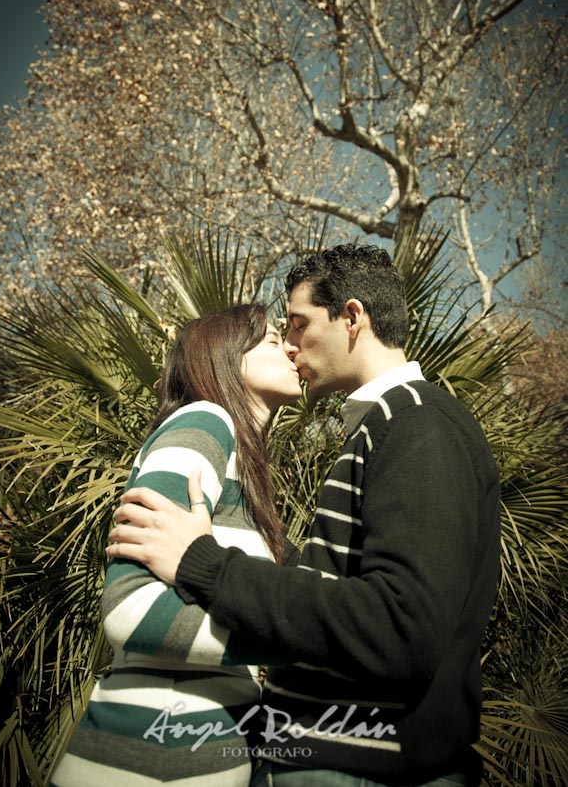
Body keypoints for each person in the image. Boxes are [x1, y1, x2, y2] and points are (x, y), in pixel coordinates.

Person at [107, 245, 501, 787]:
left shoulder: (417, 424)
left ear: (353, 317)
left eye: (298, 324)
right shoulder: (384, 427)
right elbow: (335, 594)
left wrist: (205, 564)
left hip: (357, 767)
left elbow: (398, 628)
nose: (290, 346)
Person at [50, 303, 303, 787]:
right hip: (140, 764)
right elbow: (131, 611)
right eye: (273, 340)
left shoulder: (244, 474)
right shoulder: (205, 422)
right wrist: (296, 639)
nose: (291, 347)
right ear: (225, 356)